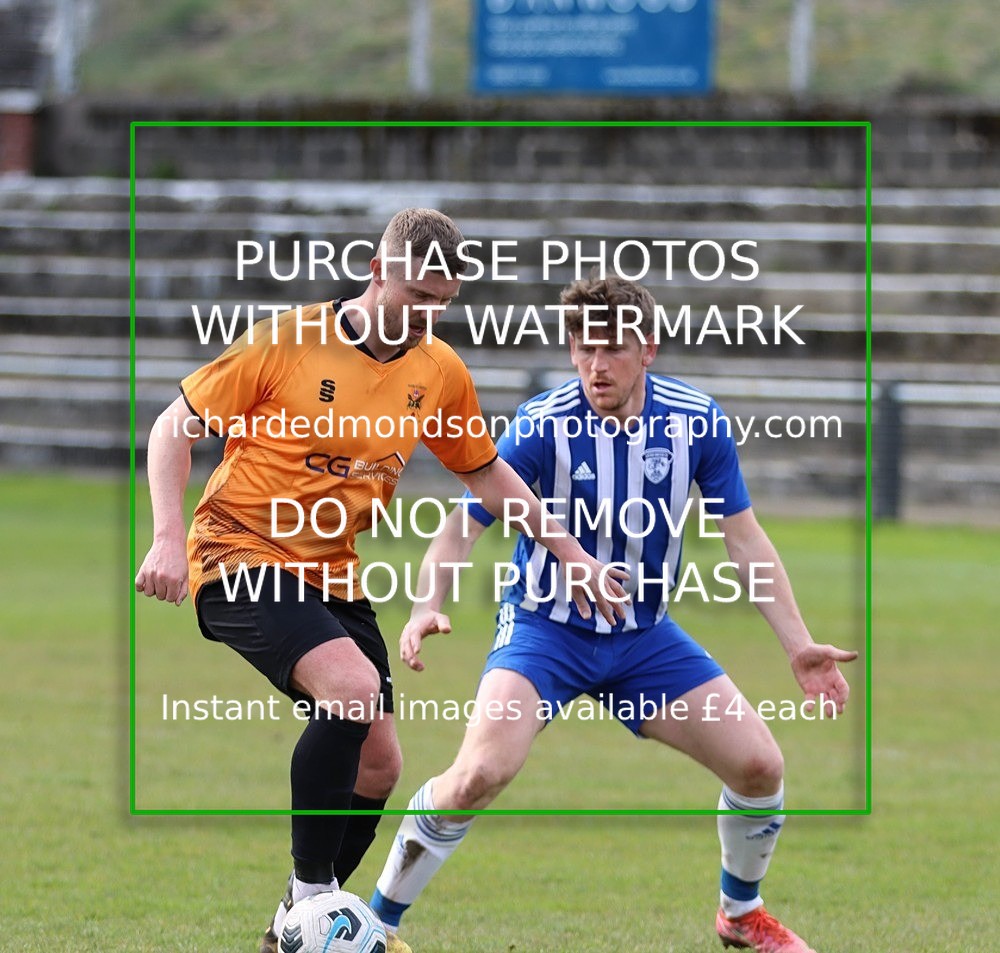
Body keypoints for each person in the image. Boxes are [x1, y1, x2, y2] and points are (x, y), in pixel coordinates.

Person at [134, 209, 626, 953]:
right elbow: (173, 426)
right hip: (237, 551)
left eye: (440, 302)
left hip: (331, 571)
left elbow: (487, 473)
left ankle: (290, 932)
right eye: (414, 295)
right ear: (376, 270)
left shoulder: (437, 369)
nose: (424, 315)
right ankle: (312, 900)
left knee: (380, 760)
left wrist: (569, 552)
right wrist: (167, 536)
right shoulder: (287, 340)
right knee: (352, 689)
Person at [369, 275, 858, 953]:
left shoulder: (696, 420)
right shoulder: (543, 425)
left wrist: (798, 644)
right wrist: (427, 605)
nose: (596, 365)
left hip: (643, 638)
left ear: (647, 349)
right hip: (544, 630)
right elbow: (461, 527)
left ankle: (740, 914)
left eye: (612, 348)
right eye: (582, 347)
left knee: (760, 766)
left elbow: (742, 536)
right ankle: (376, 924)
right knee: (479, 773)